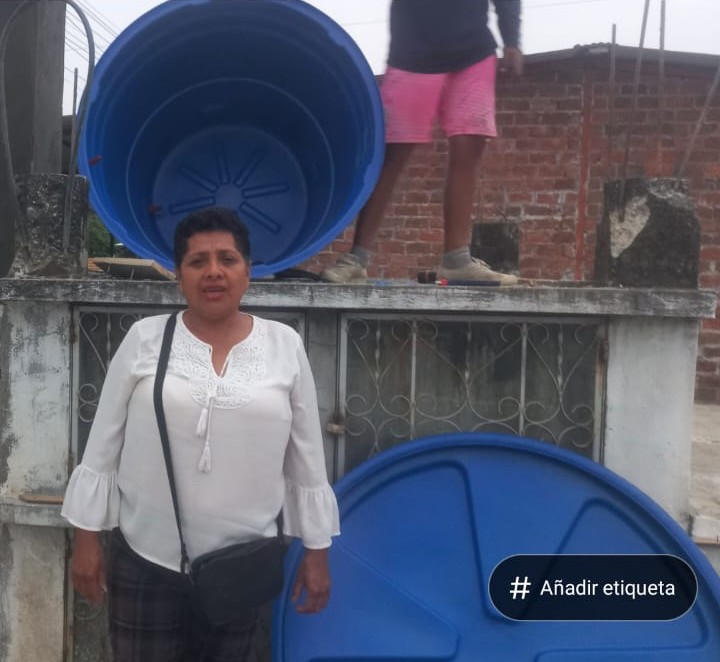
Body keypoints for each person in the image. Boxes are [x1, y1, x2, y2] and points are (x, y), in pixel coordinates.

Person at [61, 207, 340, 662]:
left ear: (247, 271)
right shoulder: (145, 339)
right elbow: (103, 444)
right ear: (179, 274)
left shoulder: (283, 345)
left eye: (227, 259)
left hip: (241, 566)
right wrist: (86, 539)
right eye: (197, 261)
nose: (213, 272)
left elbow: (306, 455)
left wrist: (317, 550)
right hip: (146, 560)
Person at [321, 0, 523, 285]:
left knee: (468, 147)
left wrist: (512, 40)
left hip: (473, 52)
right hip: (413, 52)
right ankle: (357, 258)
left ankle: (457, 260)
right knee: (391, 154)